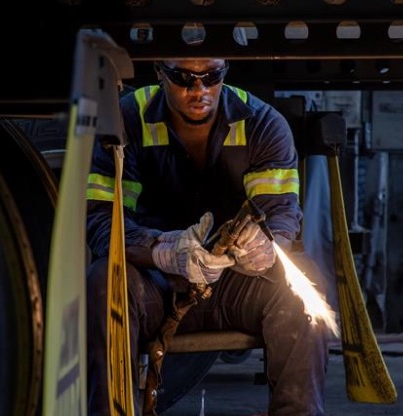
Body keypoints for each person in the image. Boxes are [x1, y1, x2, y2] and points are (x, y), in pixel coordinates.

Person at [85, 59, 330, 416]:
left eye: (210, 77)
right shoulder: (126, 121)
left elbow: (281, 215)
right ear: (159, 71)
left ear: (225, 70)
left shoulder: (262, 123)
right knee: (103, 284)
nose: (198, 90)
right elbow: (101, 221)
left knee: (304, 288)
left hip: (236, 285)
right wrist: (162, 250)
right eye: (183, 78)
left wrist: (266, 246)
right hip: (157, 283)